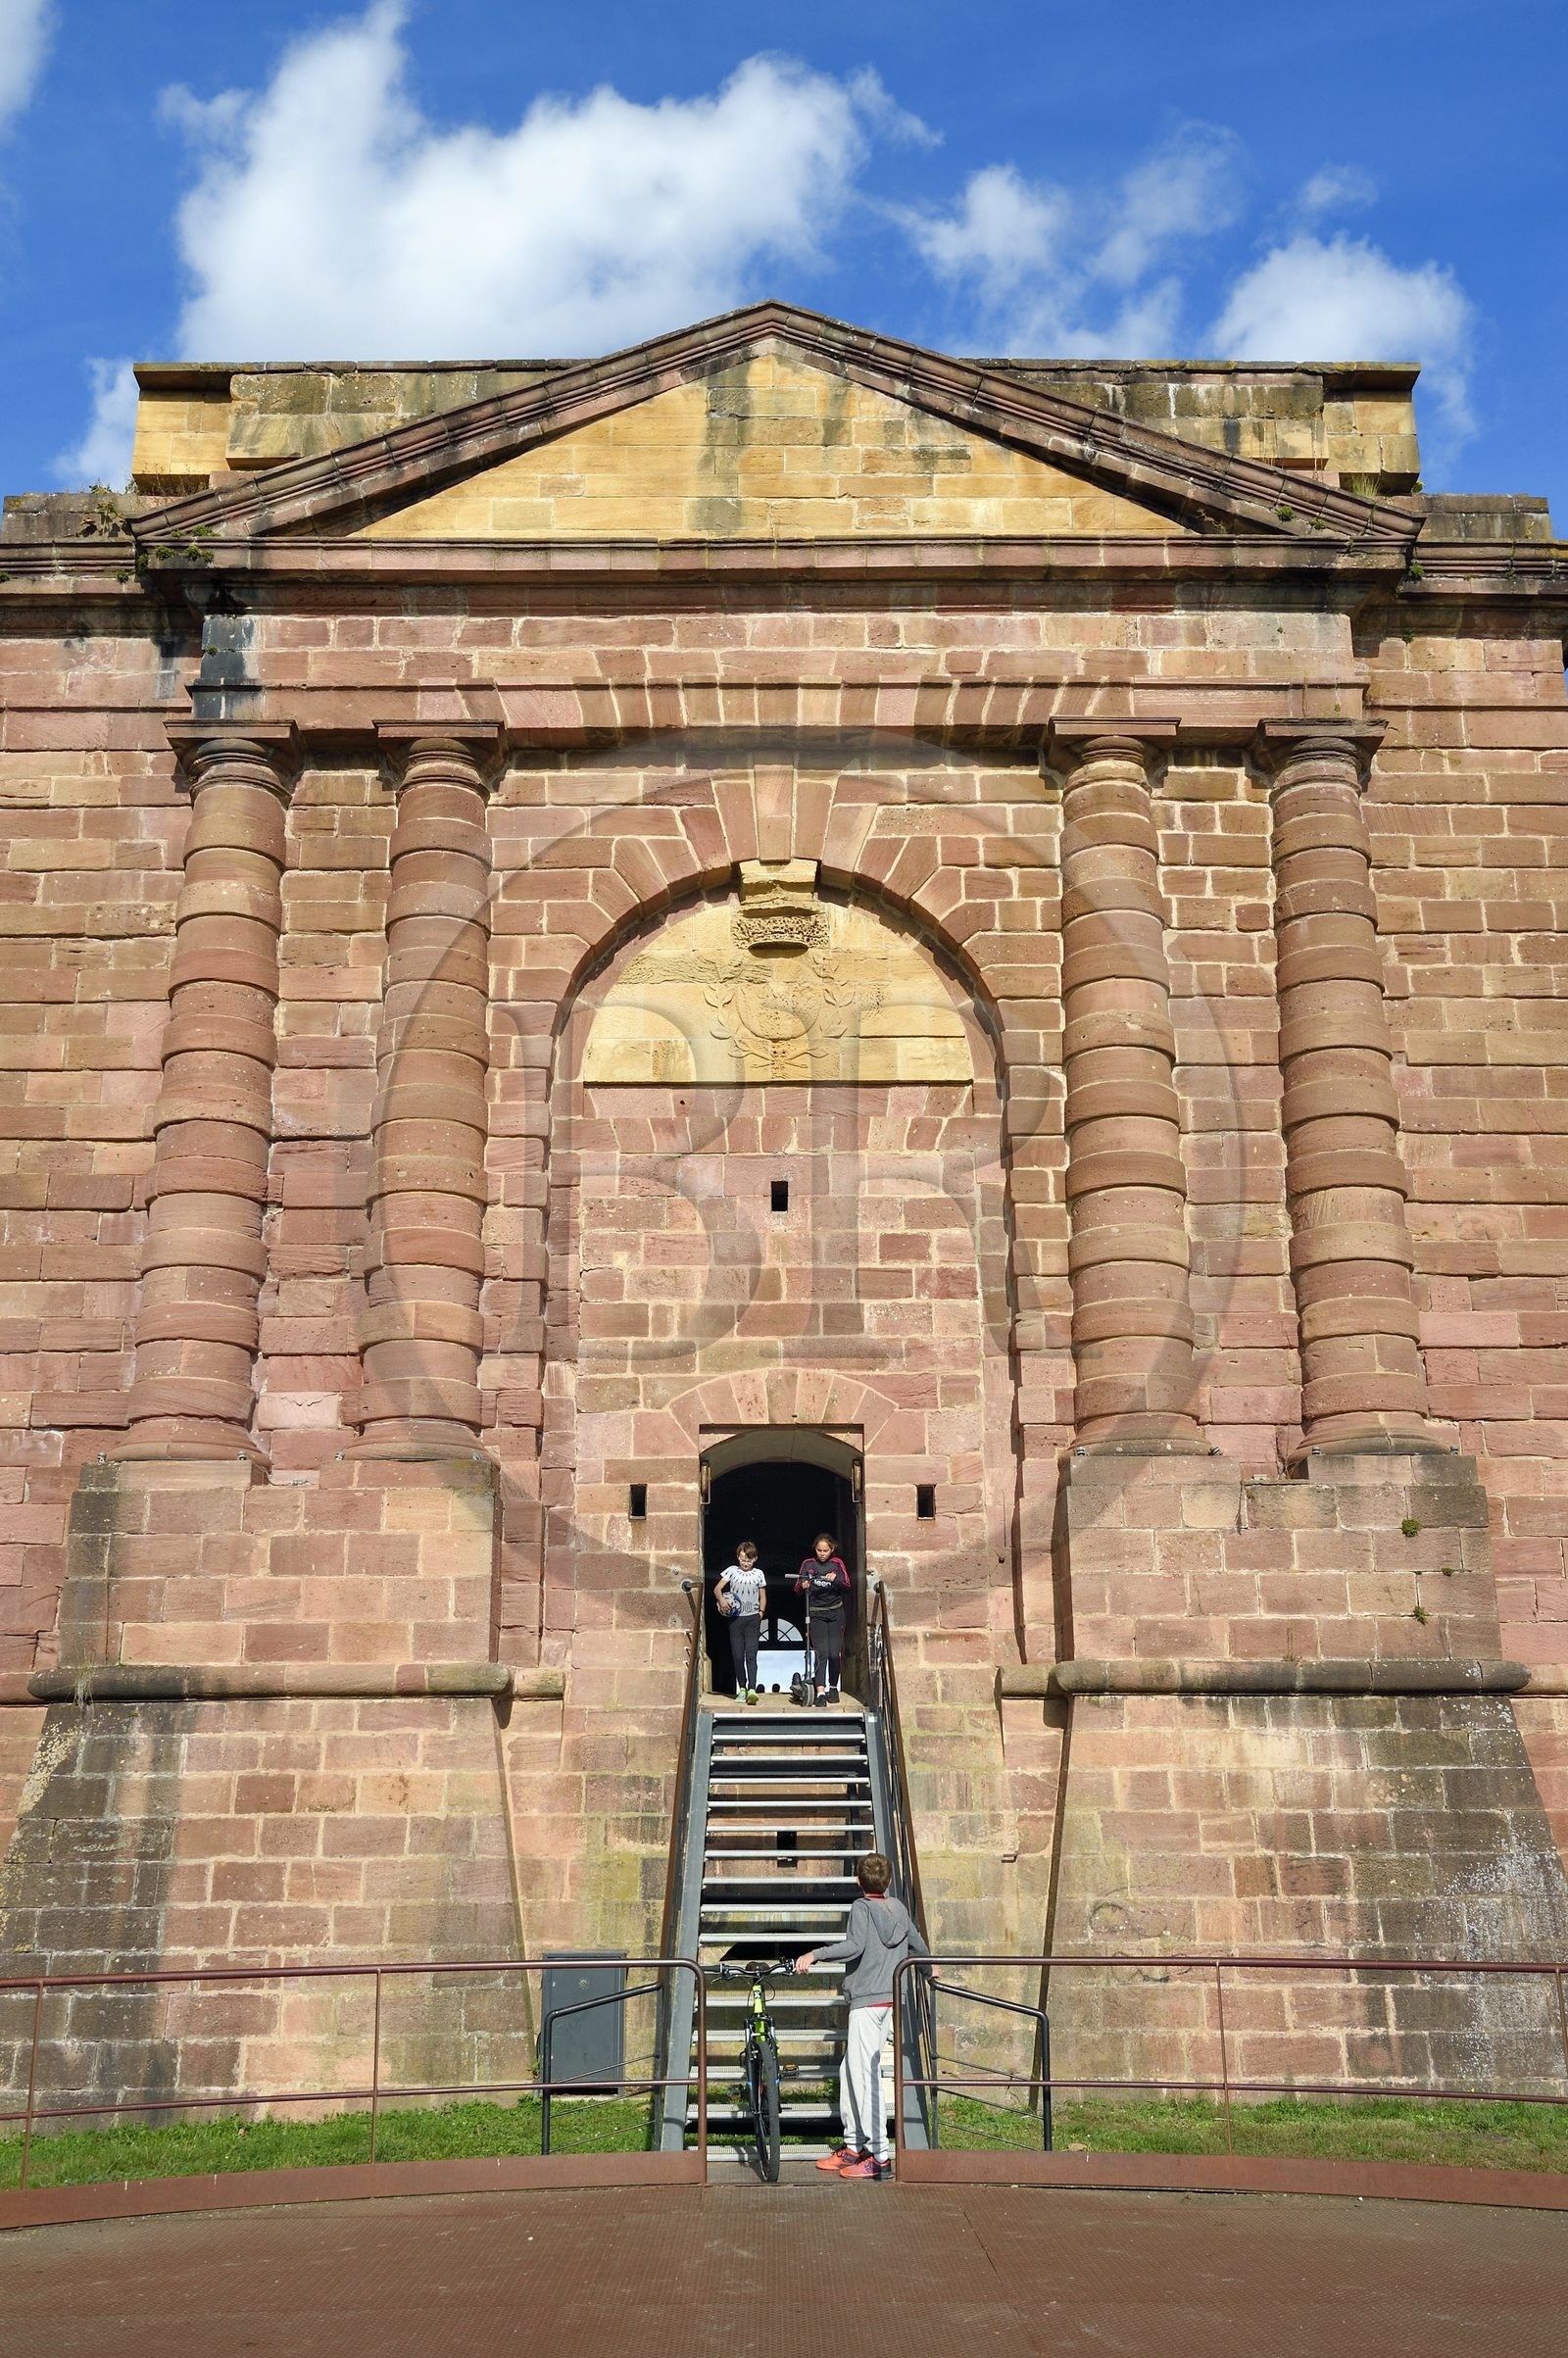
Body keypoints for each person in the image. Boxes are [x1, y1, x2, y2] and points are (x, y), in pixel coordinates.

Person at [798, 1851, 929, 2181]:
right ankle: (854, 2145)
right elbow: (916, 1942)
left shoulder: (861, 1907)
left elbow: (854, 1946)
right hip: (888, 2000)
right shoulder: (898, 1908)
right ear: (888, 1881)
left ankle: (879, 2157)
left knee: (864, 2077)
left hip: (867, 2002)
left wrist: (815, 1954)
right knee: (850, 2070)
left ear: (858, 1881)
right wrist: (930, 1969)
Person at [792, 1532, 851, 1707]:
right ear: (815, 1549)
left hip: (835, 1612)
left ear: (832, 1549)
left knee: (834, 1654)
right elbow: (797, 1588)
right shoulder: (808, 1564)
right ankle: (820, 1692)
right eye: (819, 1550)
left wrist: (836, 1579)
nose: (822, 1554)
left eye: (826, 1550)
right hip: (816, 1613)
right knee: (821, 1653)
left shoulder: (837, 1564)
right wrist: (804, 1585)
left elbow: (847, 1585)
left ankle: (833, 1688)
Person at [715, 1539, 767, 1703]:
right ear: (738, 1556)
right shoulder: (731, 1571)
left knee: (751, 1655)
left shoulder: (759, 1574)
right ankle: (742, 1688)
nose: (746, 1563)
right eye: (743, 1559)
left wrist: (760, 1613)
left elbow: (763, 1596)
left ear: (755, 1559)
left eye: (749, 1560)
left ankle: (752, 1689)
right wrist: (722, 1601)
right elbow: (717, 1588)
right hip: (735, 1619)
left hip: (752, 1619)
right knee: (738, 1656)